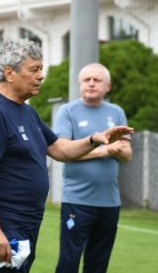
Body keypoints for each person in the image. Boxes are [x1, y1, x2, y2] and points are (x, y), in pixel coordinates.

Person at [0, 38, 133, 273]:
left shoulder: (26, 111)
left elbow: (59, 149)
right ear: (9, 73)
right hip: (6, 222)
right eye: (34, 69)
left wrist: (94, 139)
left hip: (27, 221)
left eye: (41, 69)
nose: (41, 76)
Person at [54, 63, 132, 273]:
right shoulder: (67, 111)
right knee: (69, 261)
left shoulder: (116, 112)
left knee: (98, 263)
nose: (91, 83)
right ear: (79, 84)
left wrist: (117, 148)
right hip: (77, 201)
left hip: (109, 203)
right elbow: (63, 152)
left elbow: (127, 153)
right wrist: (104, 149)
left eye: (97, 80)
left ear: (107, 86)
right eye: (87, 79)